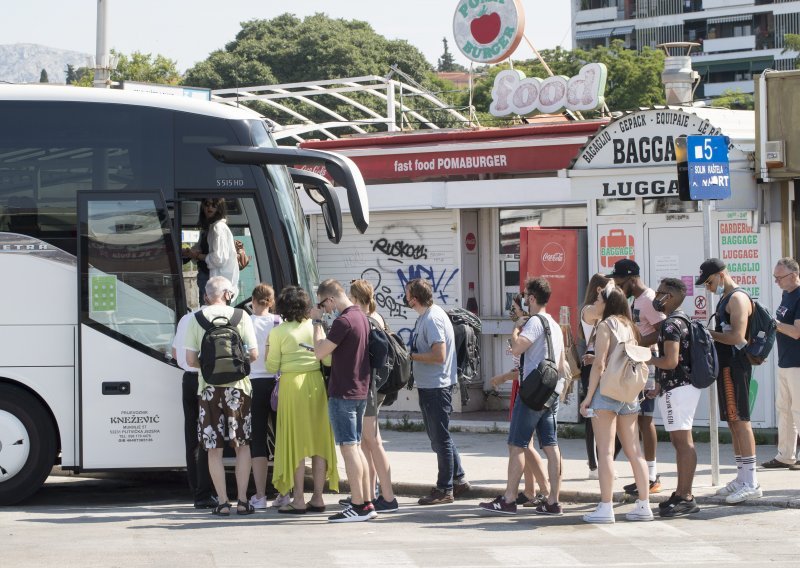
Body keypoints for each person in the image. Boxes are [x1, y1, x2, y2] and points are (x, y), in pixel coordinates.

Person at [479, 278, 565, 516]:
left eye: (526, 295)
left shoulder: (534, 323)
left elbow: (517, 348)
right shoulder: (555, 325)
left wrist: (516, 328)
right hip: (551, 393)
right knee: (550, 445)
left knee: (516, 444)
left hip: (532, 394)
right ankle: (553, 501)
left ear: (532, 298)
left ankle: (508, 499)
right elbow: (561, 365)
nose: (525, 299)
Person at [580, 281, 653, 523]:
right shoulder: (630, 326)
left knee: (606, 453)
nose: (596, 303)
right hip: (629, 393)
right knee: (634, 451)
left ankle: (606, 507)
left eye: (600, 300)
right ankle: (644, 505)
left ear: (608, 303)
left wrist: (588, 398)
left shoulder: (605, 325)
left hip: (607, 394)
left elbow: (600, 365)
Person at [185, 276, 257, 516]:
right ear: (228, 294)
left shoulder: (196, 319)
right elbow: (254, 354)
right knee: (242, 445)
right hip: (239, 390)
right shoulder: (241, 317)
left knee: (213, 447)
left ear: (207, 296)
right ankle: (244, 500)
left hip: (208, 391)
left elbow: (190, 360)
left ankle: (223, 503)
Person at [266, 285, 339, 514]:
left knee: (295, 445)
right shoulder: (316, 327)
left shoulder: (278, 332)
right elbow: (327, 362)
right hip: (315, 385)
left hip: (291, 386)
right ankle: (318, 497)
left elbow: (271, 366)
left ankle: (298, 499)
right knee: (318, 443)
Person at [311, 279, 375, 522]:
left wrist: (317, 322)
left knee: (349, 449)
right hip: (359, 390)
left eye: (323, 305)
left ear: (330, 299)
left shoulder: (343, 321)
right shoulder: (361, 316)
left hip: (343, 393)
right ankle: (366, 502)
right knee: (356, 448)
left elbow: (319, 352)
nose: (325, 310)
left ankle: (358, 504)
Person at [698, 258, 761, 503]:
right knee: (733, 422)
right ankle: (742, 477)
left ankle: (752, 481)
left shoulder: (737, 298)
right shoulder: (727, 298)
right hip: (727, 367)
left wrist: (705, 333)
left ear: (721, 275)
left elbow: (736, 336)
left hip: (737, 367)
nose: (708, 287)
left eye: (710, 281)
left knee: (742, 421)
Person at [405, 278, 470, 505]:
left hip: (436, 386)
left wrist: (410, 356)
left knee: (439, 439)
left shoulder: (432, 318)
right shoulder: (428, 316)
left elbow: (438, 355)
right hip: (431, 385)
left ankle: (445, 490)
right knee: (439, 436)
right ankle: (458, 479)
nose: (405, 298)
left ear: (414, 298)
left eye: (407, 294)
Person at [608, 259, 664, 496]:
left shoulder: (649, 300)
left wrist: (637, 343)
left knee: (645, 420)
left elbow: (664, 332)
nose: (619, 287)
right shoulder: (636, 300)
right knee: (639, 419)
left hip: (648, 365)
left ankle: (651, 476)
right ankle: (646, 475)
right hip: (639, 363)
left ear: (632, 279)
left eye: (621, 282)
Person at [488, 293, 549, 507]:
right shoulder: (531, 327)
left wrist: (502, 377)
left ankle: (544, 489)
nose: (511, 312)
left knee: (522, 443)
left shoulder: (527, 330)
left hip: (525, 387)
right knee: (525, 443)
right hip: (524, 386)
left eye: (514, 308)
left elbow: (523, 368)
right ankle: (531, 490)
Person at [648, 278, 701, 517]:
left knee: (683, 442)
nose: (655, 297)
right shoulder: (682, 320)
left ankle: (686, 497)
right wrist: (659, 383)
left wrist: (645, 358)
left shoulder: (671, 325)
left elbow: (670, 361)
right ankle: (681, 494)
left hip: (678, 389)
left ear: (668, 296)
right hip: (679, 387)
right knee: (680, 441)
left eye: (659, 293)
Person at [347, 279, 399, 512]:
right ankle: (370, 493)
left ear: (356, 299)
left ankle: (387, 497)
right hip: (375, 389)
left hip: (369, 388)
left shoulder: (367, 321)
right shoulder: (378, 319)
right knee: (368, 443)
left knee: (373, 442)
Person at [172, 306, 216, 510]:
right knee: (209, 436)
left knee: (192, 437)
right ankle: (207, 491)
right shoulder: (223, 317)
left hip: (187, 380)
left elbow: (175, 353)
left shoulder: (185, 318)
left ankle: (197, 490)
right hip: (206, 380)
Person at [579, 273, 622, 479]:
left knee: (613, 414)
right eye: (609, 289)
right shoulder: (589, 310)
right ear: (599, 290)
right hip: (593, 365)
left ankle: (605, 461)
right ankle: (594, 465)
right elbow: (599, 310)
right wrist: (611, 290)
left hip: (607, 365)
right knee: (593, 415)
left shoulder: (609, 315)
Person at [762, 258, 800, 470]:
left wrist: (773, 324)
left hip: (797, 362)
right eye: (774, 277)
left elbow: (796, 332)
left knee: (798, 410)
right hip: (785, 360)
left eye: (779, 277)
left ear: (793, 274)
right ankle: (786, 455)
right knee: (784, 409)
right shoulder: (787, 295)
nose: (776, 281)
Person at [246, 284, 282, 510]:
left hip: (252, 384)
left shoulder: (243, 321)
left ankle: (260, 494)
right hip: (278, 384)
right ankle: (284, 491)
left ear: (252, 300)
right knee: (281, 438)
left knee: (257, 439)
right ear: (271, 301)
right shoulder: (279, 322)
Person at [186, 198, 240, 304]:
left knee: (209, 314)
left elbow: (219, 258)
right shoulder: (209, 228)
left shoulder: (218, 228)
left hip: (214, 281)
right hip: (208, 277)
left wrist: (198, 256)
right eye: (207, 204)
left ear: (219, 208)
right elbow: (200, 248)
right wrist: (190, 253)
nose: (209, 207)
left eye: (214, 205)